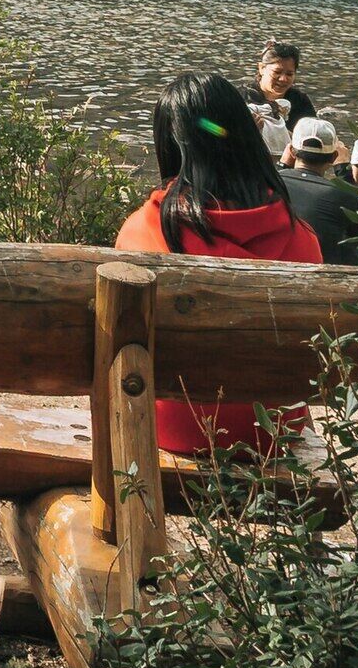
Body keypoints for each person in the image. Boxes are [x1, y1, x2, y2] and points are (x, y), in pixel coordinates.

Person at [116, 75, 323, 455]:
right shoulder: (301, 237)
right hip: (272, 430)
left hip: (176, 427)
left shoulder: (145, 231)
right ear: (247, 137)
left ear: (171, 146)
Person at [278, 114, 358, 265]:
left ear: (291, 152)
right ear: (334, 156)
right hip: (324, 269)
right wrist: (343, 170)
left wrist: (282, 166)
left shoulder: (268, 184)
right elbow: (356, 212)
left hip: (275, 263)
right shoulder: (342, 195)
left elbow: (271, 181)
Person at [245, 42, 317, 156]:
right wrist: (242, 130)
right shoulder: (241, 98)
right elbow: (212, 129)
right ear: (262, 68)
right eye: (277, 72)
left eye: (289, 74)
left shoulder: (299, 101)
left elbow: (314, 138)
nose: (283, 79)